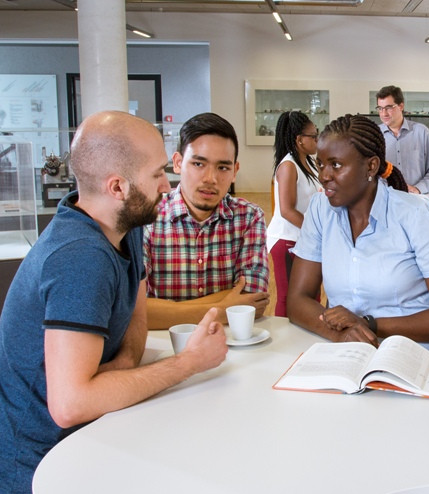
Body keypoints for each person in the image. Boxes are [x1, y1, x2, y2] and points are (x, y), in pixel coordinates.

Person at [0, 111, 228, 493]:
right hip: (43, 464)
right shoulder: (80, 258)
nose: (166, 186)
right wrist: (189, 362)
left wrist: (120, 367)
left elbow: (135, 320)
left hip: (90, 432)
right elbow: (70, 403)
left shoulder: (126, 225)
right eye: (157, 173)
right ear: (118, 187)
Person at [287, 114, 429, 360]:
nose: (324, 175)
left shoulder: (416, 215)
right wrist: (341, 336)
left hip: (420, 359)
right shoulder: (321, 209)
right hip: (351, 359)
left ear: (371, 166)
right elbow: (297, 300)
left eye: (336, 165)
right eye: (320, 164)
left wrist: (369, 324)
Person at [144, 112, 269, 329]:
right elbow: (134, 311)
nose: (210, 178)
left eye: (222, 167)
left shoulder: (248, 217)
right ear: (177, 163)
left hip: (232, 344)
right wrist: (221, 310)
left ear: (234, 171)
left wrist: (165, 311)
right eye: (199, 164)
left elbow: (252, 300)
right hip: (165, 348)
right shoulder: (147, 217)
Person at [266, 111, 320, 316]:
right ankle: (283, 344)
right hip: (287, 239)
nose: (317, 139)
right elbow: (287, 210)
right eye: (313, 136)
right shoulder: (288, 166)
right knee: (289, 297)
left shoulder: (309, 162)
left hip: (303, 238)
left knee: (310, 296)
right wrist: (315, 230)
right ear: (299, 140)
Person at [376, 85, 429, 194]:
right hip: (387, 201)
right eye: (380, 108)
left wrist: (418, 189)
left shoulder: (421, 132)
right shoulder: (375, 135)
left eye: (388, 107)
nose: (384, 113)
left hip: (417, 201)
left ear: (401, 106)